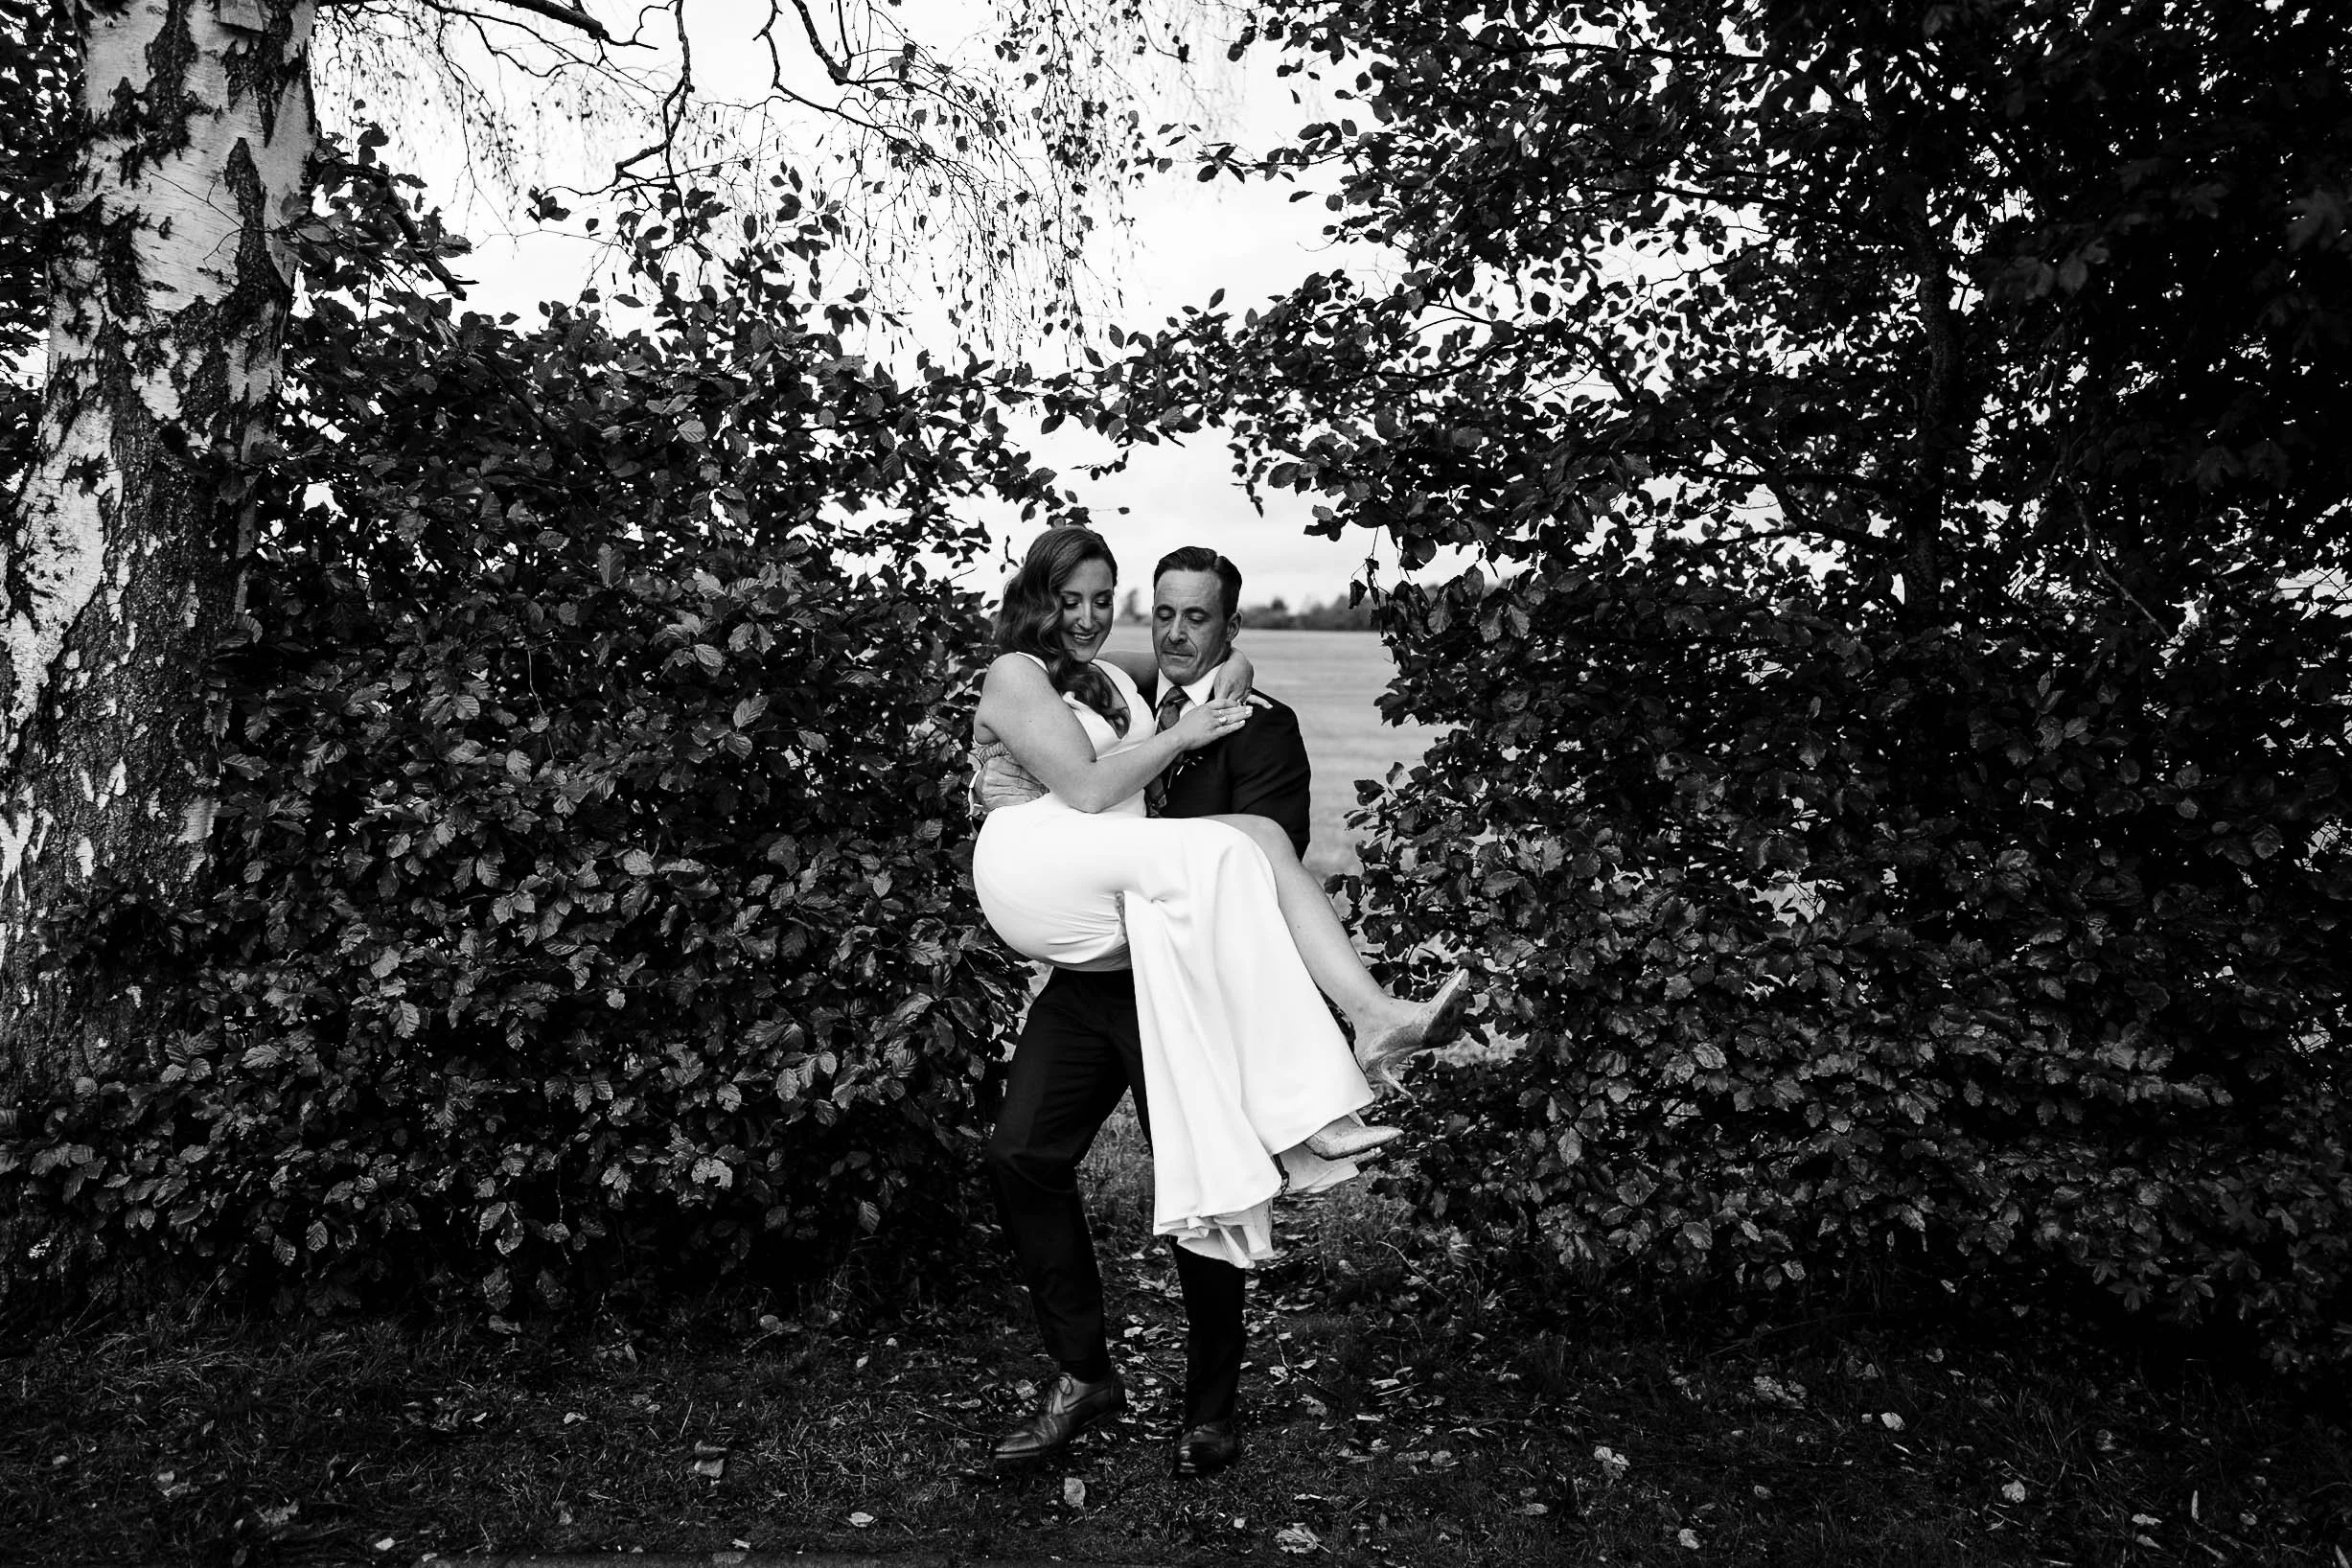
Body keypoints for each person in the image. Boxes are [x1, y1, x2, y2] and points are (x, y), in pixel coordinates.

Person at [970, 528, 1469, 1477]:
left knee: (1209, 1182)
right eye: (1160, 613)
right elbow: (1052, 746)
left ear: (1230, 627)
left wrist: (1225, 691)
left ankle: (1208, 1410)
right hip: (1092, 981)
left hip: (1184, 979)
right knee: (1020, 1154)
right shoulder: (1108, 689)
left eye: (1197, 619)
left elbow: (1264, 857)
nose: (1173, 633)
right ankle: (1084, 1372)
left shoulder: (1259, 725)